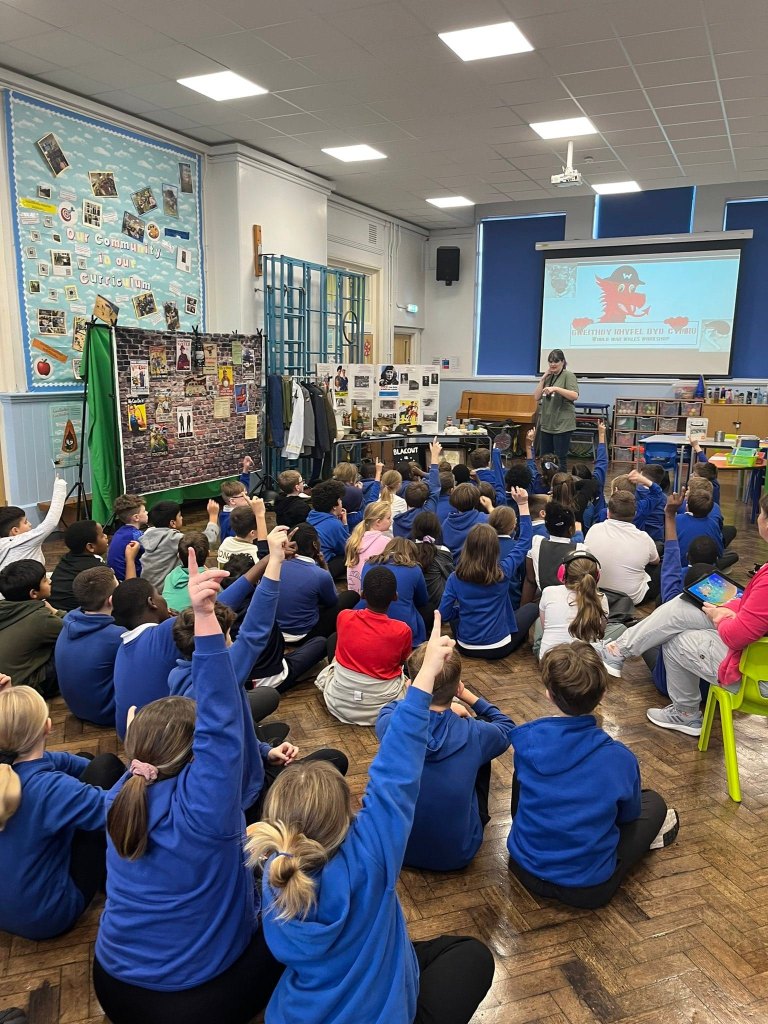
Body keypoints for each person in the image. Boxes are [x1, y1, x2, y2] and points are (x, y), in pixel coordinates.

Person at [248, 612, 495, 1024]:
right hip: (388, 1010)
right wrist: (425, 679)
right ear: (348, 815)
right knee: (473, 957)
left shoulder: (271, 873)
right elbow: (396, 774)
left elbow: (394, 776)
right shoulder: (371, 858)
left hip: (295, 1012)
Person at [93, 542, 287, 1024]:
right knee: (296, 910)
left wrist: (203, 618)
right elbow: (219, 718)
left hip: (111, 984)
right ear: (197, 757)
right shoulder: (206, 808)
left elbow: (219, 726)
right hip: (194, 1003)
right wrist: (205, 618)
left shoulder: (120, 796)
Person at [507, 642, 678, 909]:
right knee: (654, 803)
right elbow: (628, 816)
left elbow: (518, 802)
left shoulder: (527, 740)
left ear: (549, 694)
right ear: (602, 694)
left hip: (523, 867)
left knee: (527, 781)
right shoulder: (619, 758)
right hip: (585, 887)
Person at [0, 679, 124, 940]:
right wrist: (139, 767)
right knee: (107, 766)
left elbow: (60, 762)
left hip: (10, 908)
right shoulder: (49, 789)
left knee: (90, 763)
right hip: (48, 916)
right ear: (48, 726)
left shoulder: (10, 771)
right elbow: (119, 810)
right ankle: (118, 875)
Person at [376, 643, 514, 871]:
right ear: (456, 686)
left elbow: (392, 709)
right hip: (457, 854)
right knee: (482, 737)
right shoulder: (475, 733)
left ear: (411, 686)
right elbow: (507, 727)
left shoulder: (391, 723)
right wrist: (466, 697)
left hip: (396, 850)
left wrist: (417, 695)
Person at [646, 492, 768, 738]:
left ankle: (685, 713)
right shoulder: (715, 523)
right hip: (749, 663)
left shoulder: (765, 581)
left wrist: (720, 618)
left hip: (754, 678)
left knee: (668, 636)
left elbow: (735, 636)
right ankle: (619, 649)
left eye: (761, 513)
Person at [110, 555, 270, 740]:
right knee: (265, 696)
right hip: (170, 741)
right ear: (151, 602)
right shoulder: (161, 634)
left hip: (133, 737)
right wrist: (266, 562)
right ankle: (256, 744)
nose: (163, 598)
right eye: (159, 594)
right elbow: (219, 605)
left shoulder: (122, 648)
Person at [316, 567, 412, 726]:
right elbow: (401, 662)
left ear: (362, 594)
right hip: (381, 708)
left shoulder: (344, 616)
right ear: (395, 596)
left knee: (333, 639)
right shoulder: (402, 630)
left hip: (338, 702)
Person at [439, 519, 537, 659]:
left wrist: (463, 610)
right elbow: (524, 542)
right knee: (532, 607)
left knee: (456, 614)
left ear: (467, 547)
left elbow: (444, 613)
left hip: (466, 647)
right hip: (498, 648)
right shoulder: (503, 572)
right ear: (495, 549)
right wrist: (524, 509)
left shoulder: (455, 577)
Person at [55, 566, 125, 727]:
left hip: (76, 708)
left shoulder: (69, 623)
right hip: (108, 713)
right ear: (111, 600)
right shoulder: (116, 636)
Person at [536, 550, 625, 668]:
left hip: (549, 663)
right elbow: (600, 632)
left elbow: (544, 628)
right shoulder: (601, 598)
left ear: (563, 573)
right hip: (586, 665)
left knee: (540, 621)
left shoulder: (549, 591)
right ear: (597, 576)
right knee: (621, 627)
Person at [277, 524, 357, 642]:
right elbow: (332, 601)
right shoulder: (320, 574)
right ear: (315, 544)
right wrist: (324, 566)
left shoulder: (276, 566)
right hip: (303, 635)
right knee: (351, 596)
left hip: (276, 632)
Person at [0, 560, 65, 696]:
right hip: (22, 688)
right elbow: (75, 627)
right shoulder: (41, 619)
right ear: (34, 593)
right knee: (72, 646)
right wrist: (56, 612)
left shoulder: (5, 608)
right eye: (45, 580)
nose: (50, 581)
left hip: (4, 682)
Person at [141, 499, 220, 591]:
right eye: (179, 515)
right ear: (173, 523)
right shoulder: (172, 538)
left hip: (148, 588)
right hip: (164, 590)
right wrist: (213, 516)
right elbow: (207, 540)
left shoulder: (148, 534)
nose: (182, 518)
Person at [363, 538, 429, 646]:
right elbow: (422, 600)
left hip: (369, 619)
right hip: (403, 626)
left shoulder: (368, 564)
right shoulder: (414, 569)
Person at [0, 475, 66, 575]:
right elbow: (51, 522)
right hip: (28, 583)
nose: (30, 524)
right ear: (15, 531)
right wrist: (60, 486)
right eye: (25, 522)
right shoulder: (25, 540)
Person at [49, 520, 110, 612]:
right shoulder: (98, 570)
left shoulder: (66, 559)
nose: (106, 536)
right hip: (74, 615)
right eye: (101, 535)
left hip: (53, 609)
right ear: (90, 547)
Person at [533, 348, 579, 468]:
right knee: (545, 457)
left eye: (556, 361)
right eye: (550, 362)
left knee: (560, 458)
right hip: (547, 424)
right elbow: (537, 396)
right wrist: (543, 378)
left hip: (562, 425)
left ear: (562, 362)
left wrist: (556, 389)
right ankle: (546, 478)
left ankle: (561, 480)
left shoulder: (568, 375)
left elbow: (574, 395)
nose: (553, 364)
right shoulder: (549, 377)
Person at [393, 440, 442, 537]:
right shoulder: (427, 512)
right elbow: (435, 486)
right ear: (426, 499)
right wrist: (434, 456)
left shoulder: (397, 520)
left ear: (406, 499)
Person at [411, 511, 453, 616]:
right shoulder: (444, 551)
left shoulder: (408, 550)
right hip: (438, 608)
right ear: (437, 530)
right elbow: (450, 577)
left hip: (413, 608)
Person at [345, 500, 392, 594]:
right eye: (388, 518)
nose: (391, 521)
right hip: (373, 594)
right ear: (378, 522)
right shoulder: (386, 542)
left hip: (354, 591)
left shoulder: (354, 539)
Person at [307, 479, 349, 579]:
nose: (341, 502)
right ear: (334, 506)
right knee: (349, 557)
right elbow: (347, 547)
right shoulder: (334, 524)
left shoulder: (311, 516)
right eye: (340, 500)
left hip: (309, 566)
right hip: (320, 570)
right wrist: (345, 524)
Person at [441, 482, 492, 562]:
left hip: (453, 567)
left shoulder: (445, 525)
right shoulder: (485, 520)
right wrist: (490, 507)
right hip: (477, 566)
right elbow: (503, 523)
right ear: (476, 501)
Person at [162, 532, 211, 612]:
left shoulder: (170, 577)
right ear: (208, 554)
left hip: (171, 618)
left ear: (179, 556)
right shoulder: (212, 580)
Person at [106, 494, 147, 582]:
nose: (147, 513)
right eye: (144, 511)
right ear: (136, 517)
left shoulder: (119, 532)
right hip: (129, 580)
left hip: (116, 579)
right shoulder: (137, 535)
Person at [217, 499, 268, 567]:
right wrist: (260, 516)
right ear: (252, 533)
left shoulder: (226, 542)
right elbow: (264, 561)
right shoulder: (254, 552)